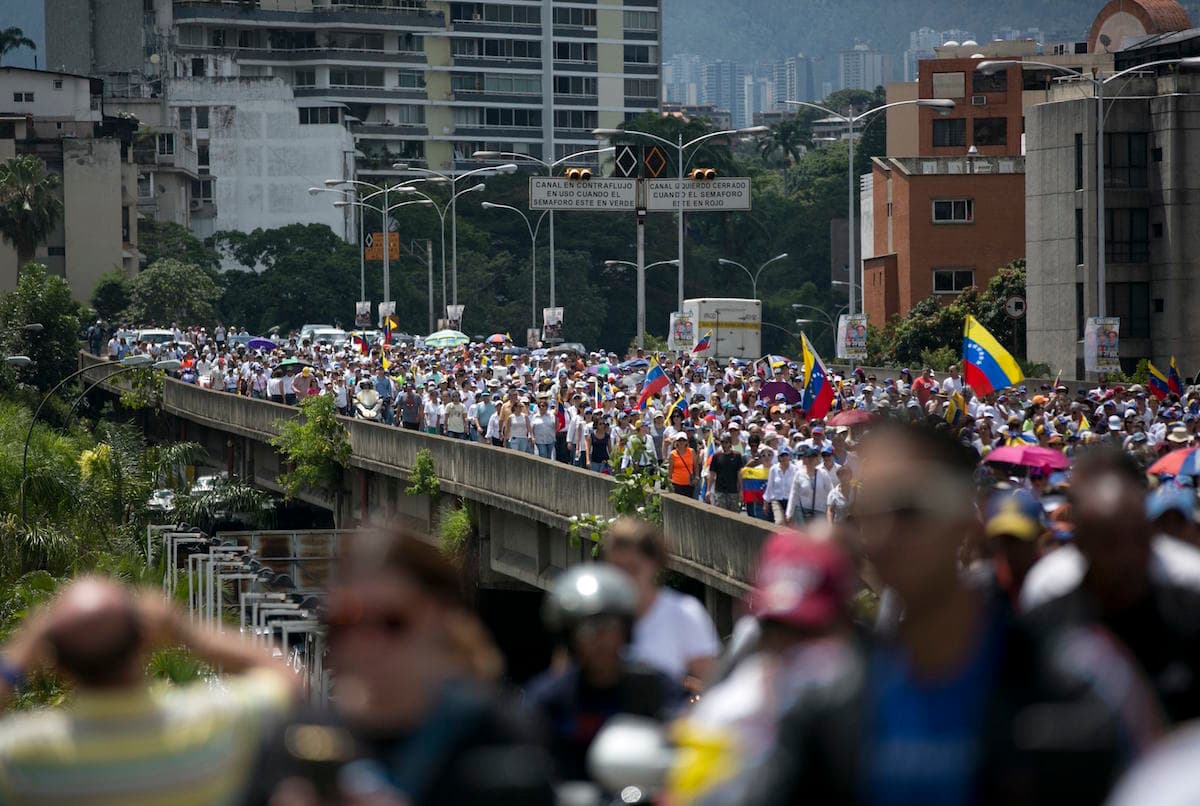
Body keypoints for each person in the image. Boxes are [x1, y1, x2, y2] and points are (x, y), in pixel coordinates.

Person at [745, 422, 1163, 806]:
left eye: (909, 511)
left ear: (966, 521)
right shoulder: (829, 700)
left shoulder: (1077, 686)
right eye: (871, 513)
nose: (887, 535)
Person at [247, 530, 555, 805]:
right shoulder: (301, 740)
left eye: (392, 623)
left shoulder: (498, 736)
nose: (365, 643)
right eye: (344, 622)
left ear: (440, 619)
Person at [0, 577, 299, 804]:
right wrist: (187, 629)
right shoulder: (210, 728)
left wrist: (24, 646)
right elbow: (287, 676)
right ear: (144, 644)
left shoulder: (28, 757)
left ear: (59, 665)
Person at [667, 531, 855, 805]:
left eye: (806, 632)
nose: (789, 648)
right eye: (776, 629)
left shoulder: (874, 709)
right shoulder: (730, 711)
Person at [1026, 448, 1200, 724]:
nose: (1123, 556)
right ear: (1081, 540)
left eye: (1133, 537)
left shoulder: (1191, 583)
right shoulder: (1048, 588)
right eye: (1106, 541)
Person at [525, 563, 684, 784]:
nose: (601, 641)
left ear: (625, 630)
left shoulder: (657, 687)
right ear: (570, 637)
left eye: (609, 627)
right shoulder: (550, 698)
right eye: (588, 631)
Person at [602, 519, 720, 691]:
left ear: (654, 565)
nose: (625, 579)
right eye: (618, 569)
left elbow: (715, 686)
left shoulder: (683, 614)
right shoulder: (594, 612)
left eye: (633, 569)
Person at [707, 433, 745, 512]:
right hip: (720, 491)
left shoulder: (737, 456)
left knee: (734, 515)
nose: (724, 445)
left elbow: (739, 474)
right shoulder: (716, 456)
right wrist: (708, 490)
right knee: (720, 514)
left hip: (733, 491)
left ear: (730, 443)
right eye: (722, 442)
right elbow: (712, 473)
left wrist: (741, 490)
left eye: (726, 442)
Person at [764, 445, 797, 525]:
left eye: (786, 455)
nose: (784, 458)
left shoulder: (795, 469)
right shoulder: (773, 469)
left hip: (791, 501)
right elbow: (770, 487)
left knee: (792, 524)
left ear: (789, 456)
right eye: (782, 456)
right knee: (779, 522)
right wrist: (766, 502)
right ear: (779, 457)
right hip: (777, 500)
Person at [668, 433, 699, 498]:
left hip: (689, 483)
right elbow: (670, 469)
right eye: (679, 440)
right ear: (676, 442)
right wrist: (669, 481)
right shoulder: (672, 454)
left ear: (687, 441)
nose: (681, 442)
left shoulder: (691, 451)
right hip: (676, 483)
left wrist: (696, 477)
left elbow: (696, 465)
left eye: (683, 440)